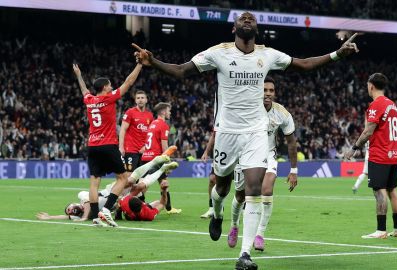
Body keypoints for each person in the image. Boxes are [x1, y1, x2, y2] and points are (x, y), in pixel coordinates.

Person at [133, 11, 359, 269]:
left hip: (255, 133)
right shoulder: (219, 53)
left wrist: (337, 54)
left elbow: (304, 64)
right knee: (222, 188)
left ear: (257, 28)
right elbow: (182, 71)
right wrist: (154, 61)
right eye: (243, 18)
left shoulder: (267, 54)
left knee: (253, 189)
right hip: (227, 133)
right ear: (234, 28)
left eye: (251, 18)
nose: (248, 19)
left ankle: (244, 254)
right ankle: (217, 213)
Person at [227, 76, 298, 251]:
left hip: (268, 154)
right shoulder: (247, 108)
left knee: (266, 190)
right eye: (264, 90)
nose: (267, 94)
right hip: (245, 154)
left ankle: (260, 234)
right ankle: (234, 225)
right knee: (240, 195)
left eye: (271, 90)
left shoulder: (282, 113)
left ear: (275, 93)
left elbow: (291, 143)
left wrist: (294, 170)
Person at [73, 62, 142, 227]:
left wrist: (79, 75)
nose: (112, 87)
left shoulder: (90, 100)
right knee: (123, 178)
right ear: (104, 87)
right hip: (109, 144)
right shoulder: (109, 98)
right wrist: (139, 65)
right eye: (110, 85)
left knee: (94, 181)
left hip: (93, 146)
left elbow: (84, 90)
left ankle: (96, 216)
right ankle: (106, 210)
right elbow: (128, 82)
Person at [344, 73, 397, 239]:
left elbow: (368, 131)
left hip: (380, 154)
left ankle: (381, 230)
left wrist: (354, 148)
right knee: (393, 190)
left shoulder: (376, 105)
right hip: (393, 154)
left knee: (379, 191)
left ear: (371, 86)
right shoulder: (392, 105)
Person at [36, 158, 179, 223]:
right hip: (118, 202)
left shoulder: (83, 197)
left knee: (129, 181)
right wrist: (50, 218)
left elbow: (86, 204)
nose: (72, 211)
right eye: (70, 211)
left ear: (74, 203)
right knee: (140, 187)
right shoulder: (76, 216)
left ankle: (154, 162)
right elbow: (66, 217)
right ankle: (161, 170)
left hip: (111, 192)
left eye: (70, 208)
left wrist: (86, 217)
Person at [141, 102, 181, 214]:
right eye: (168, 110)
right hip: (155, 159)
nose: (170, 112)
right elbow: (164, 146)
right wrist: (167, 161)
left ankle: (169, 207)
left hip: (146, 157)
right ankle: (132, 203)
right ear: (163, 112)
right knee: (145, 185)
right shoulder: (163, 125)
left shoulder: (153, 123)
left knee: (163, 182)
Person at [119, 90, 154, 174]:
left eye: (142, 98)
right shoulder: (130, 112)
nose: (140, 100)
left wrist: (146, 147)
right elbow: (122, 129)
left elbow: (151, 134)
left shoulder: (150, 115)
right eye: (138, 98)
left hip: (144, 151)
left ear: (146, 100)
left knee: (142, 178)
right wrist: (121, 147)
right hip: (130, 149)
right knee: (129, 176)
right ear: (135, 100)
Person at [200, 132, 216, 219]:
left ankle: (244, 208)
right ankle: (212, 208)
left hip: (236, 152)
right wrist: (206, 152)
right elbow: (214, 135)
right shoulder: (219, 118)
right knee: (212, 179)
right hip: (221, 154)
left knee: (240, 184)